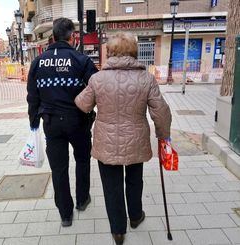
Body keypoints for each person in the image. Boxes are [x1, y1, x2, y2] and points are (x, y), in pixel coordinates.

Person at [75, 32, 172, 245]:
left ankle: (118, 231)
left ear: (109, 52)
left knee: (112, 186)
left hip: (106, 141)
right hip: (136, 139)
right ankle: (136, 216)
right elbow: (161, 111)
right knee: (135, 180)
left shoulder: (97, 78)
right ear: (134, 52)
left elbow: (83, 104)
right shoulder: (146, 78)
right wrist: (164, 135)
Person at [27, 17, 98, 227]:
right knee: (83, 160)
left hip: (51, 123)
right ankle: (82, 199)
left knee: (59, 168)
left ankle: (65, 214)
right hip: (78, 121)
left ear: (53, 37)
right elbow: (96, 88)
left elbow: (32, 96)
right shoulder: (81, 60)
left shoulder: (37, 62)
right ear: (73, 36)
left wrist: (33, 123)